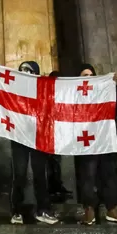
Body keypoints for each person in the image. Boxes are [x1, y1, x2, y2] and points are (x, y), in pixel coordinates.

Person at [74, 64, 117, 225]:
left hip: (105, 139)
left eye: (91, 75)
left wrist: (112, 85)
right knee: (88, 175)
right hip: (85, 140)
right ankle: (89, 210)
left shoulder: (106, 89)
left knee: (109, 175)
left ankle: (112, 209)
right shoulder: (74, 93)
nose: (89, 78)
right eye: (84, 75)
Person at [6, 61, 58, 225]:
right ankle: (16, 210)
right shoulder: (14, 90)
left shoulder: (43, 91)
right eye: (21, 70)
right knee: (19, 174)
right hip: (19, 137)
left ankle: (43, 209)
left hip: (38, 137)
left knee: (40, 174)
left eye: (28, 70)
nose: (24, 73)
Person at [46, 71, 72, 201]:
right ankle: (51, 187)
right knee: (50, 162)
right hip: (48, 134)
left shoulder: (61, 95)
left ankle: (57, 185)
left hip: (58, 133)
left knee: (56, 162)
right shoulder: (47, 95)